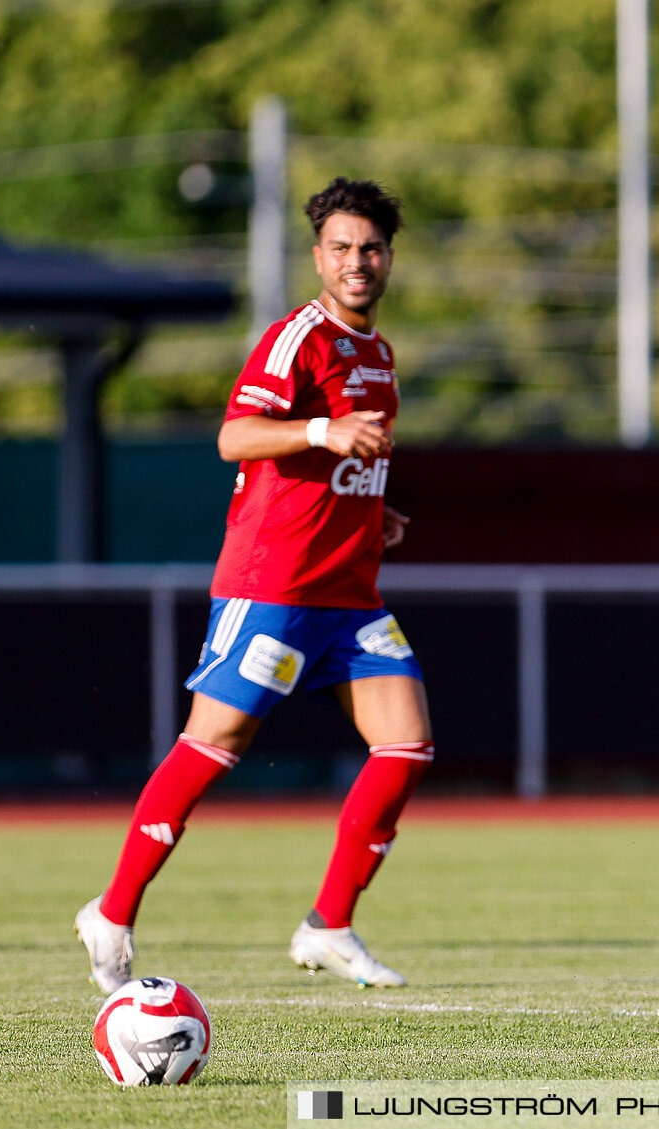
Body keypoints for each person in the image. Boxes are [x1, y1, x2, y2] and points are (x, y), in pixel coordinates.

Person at [75, 177, 430, 992]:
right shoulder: (293, 340)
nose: (356, 261)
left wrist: (374, 512)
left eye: (370, 248)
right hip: (273, 586)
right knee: (214, 746)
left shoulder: (378, 353)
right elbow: (236, 436)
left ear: (388, 257)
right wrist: (321, 429)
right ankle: (115, 908)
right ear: (318, 255)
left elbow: (338, 463)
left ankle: (328, 925)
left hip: (348, 595)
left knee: (406, 745)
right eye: (341, 247)